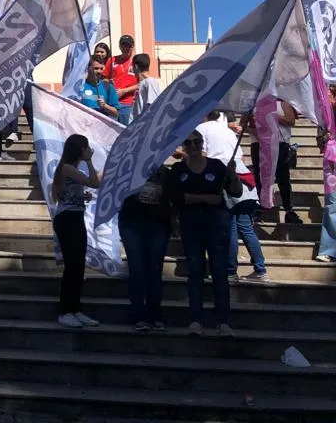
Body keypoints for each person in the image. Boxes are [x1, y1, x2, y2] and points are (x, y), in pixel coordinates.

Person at [169, 130, 242, 336]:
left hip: (216, 223)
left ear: (203, 143)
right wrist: (206, 198)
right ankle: (195, 318)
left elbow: (235, 191)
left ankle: (223, 320)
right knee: (195, 271)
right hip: (191, 224)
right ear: (183, 146)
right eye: (188, 142)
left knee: (219, 271)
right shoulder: (178, 168)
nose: (193, 146)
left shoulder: (217, 166)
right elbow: (176, 196)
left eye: (197, 142)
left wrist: (233, 173)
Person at [197, 112, 268, 283]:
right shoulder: (227, 131)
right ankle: (260, 268)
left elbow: (202, 156)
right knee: (246, 227)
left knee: (230, 229)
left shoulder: (201, 129)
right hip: (244, 178)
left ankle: (230, 270)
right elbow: (241, 156)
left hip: (225, 180)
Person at [50, 134, 101, 329]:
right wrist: (89, 161)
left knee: (78, 266)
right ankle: (65, 311)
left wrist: (82, 196)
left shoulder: (70, 169)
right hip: (68, 220)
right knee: (73, 266)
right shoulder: (68, 168)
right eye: (86, 147)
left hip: (74, 216)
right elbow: (94, 182)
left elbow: (72, 192)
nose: (89, 150)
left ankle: (75, 308)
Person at [118, 163, 171, 331]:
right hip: (131, 222)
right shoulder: (129, 167)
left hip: (158, 223)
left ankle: (155, 314)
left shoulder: (164, 172)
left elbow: (172, 197)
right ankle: (137, 314)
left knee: (155, 269)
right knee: (137, 268)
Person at [247, 99, 303, 224]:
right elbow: (244, 124)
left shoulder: (282, 102)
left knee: (283, 177)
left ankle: (289, 210)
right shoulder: (253, 102)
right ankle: (259, 209)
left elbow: (291, 121)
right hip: (259, 143)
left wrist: (271, 115)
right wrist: (256, 132)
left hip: (279, 144)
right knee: (259, 176)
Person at [315, 84, 336, 263]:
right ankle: (329, 248)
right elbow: (319, 141)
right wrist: (325, 138)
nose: (326, 92)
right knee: (332, 204)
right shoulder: (324, 115)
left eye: (329, 89)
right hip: (331, 162)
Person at [103, 35, 139, 124]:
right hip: (111, 103)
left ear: (133, 47)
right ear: (120, 46)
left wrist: (124, 91)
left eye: (129, 46)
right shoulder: (111, 60)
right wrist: (109, 84)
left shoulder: (136, 62)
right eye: (124, 45)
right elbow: (104, 79)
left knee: (125, 132)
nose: (126, 48)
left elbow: (142, 83)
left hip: (128, 104)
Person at [131, 53, 160, 121]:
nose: (132, 70)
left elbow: (153, 105)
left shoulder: (150, 82)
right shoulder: (142, 83)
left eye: (132, 66)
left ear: (136, 66)